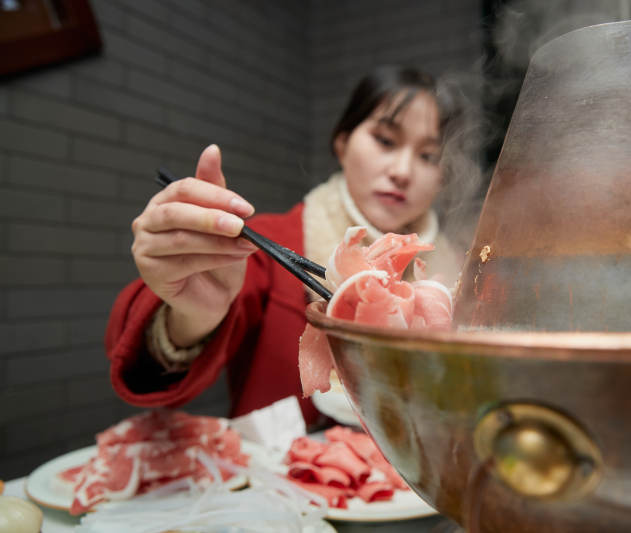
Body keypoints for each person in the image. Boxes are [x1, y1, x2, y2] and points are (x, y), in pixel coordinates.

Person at [104, 65, 464, 428]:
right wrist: (190, 316)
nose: (403, 171)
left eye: (428, 156)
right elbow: (146, 364)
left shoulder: (462, 281)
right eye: (385, 140)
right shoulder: (265, 245)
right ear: (342, 144)